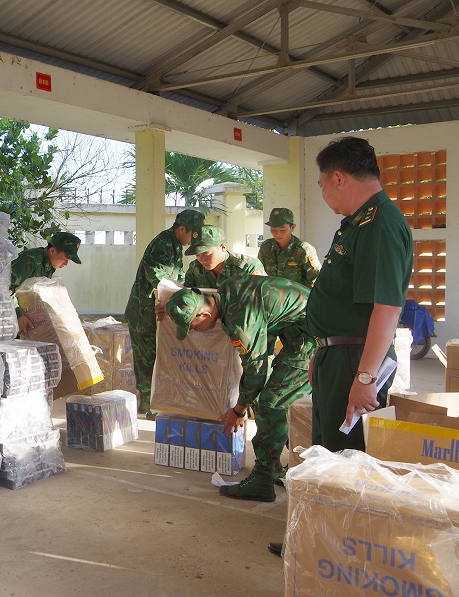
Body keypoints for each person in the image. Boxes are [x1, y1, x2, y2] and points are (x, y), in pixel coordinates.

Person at [268, 135, 413, 558]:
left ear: (338, 176)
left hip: (356, 358)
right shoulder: (358, 222)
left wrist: (365, 377)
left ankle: (337, 554)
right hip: (340, 354)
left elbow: (386, 308)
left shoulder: (380, 224)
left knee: (346, 460)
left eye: (321, 183)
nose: (322, 190)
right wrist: (322, 348)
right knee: (326, 453)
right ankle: (315, 541)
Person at [164, 276, 315, 502]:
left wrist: (238, 409)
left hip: (313, 340)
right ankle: (273, 466)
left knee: (271, 404)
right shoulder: (228, 289)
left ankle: (262, 480)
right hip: (301, 335)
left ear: (204, 314)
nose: (194, 331)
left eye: (192, 326)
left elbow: (256, 369)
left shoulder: (240, 320)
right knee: (268, 397)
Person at [124, 209, 206, 415]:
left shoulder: (175, 244)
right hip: (144, 312)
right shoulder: (164, 243)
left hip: (155, 311)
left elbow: (177, 277)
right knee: (147, 360)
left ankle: (153, 404)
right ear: (181, 229)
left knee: (156, 358)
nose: (193, 241)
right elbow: (157, 277)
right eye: (192, 235)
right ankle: (150, 406)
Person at [10, 231, 82, 337]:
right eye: (65, 259)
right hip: (10, 318)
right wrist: (18, 316)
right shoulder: (30, 260)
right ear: (52, 251)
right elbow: (5, 288)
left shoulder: (50, 266)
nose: (66, 264)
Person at [182, 225, 265, 288]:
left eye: (206, 254)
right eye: (198, 254)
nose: (202, 259)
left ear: (223, 247)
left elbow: (260, 303)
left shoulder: (248, 268)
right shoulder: (195, 268)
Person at [258, 207, 321, 289]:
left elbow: (316, 281)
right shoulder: (266, 247)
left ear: (293, 227)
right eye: (273, 230)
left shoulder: (304, 250)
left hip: (298, 299)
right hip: (271, 298)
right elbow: (259, 274)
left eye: (282, 230)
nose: (277, 234)